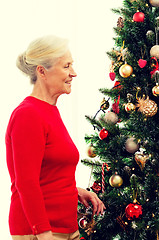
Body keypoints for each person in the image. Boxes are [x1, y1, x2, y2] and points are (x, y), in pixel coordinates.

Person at [6, 35, 106, 240]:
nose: (74, 73)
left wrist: (74, 191)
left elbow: (48, 172)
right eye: (66, 66)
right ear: (42, 71)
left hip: (64, 227)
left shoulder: (48, 111)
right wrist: (43, 234)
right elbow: (26, 182)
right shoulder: (28, 114)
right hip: (42, 232)